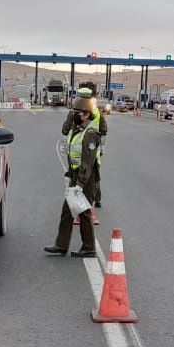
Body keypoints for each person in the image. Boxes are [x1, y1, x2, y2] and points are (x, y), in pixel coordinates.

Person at [43, 96, 101, 259]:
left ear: (87, 114)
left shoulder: (89, 134)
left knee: (83, 211)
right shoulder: (77, 130)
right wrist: (70, 175)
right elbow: (71, 153)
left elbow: (87, 163)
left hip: (86, 178)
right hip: (76, 176)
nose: (75, 114)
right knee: (67, 211)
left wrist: (80, 185)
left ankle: (89, 247)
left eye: (78, 112)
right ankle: (61, 245)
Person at [62, 82, 108, 207]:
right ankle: (96, 198)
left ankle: (80, 199)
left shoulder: (75, 111)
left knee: (77, 173)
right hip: (94, 148)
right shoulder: (96, 111)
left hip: (79, 148)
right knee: (94, 174)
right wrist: (102, 146)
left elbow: (65, 130)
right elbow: (104, 129)